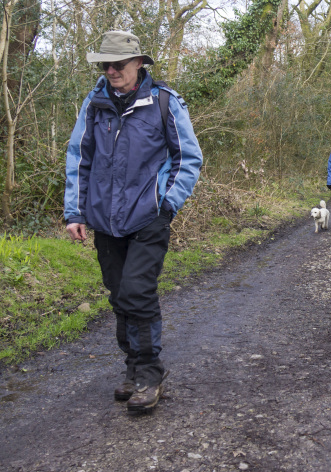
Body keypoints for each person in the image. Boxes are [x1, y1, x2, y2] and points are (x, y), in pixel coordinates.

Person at [63, 31, 203, 413]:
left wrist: (167, 204)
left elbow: (187, 159)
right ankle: (132, 368)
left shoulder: (163, 103)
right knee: (118, 295)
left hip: (147, 218)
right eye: (104, 64)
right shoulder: (94, 105)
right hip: (105, 221)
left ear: (139, 63)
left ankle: (149, 374)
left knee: (137, 292)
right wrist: (75, 212)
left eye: (118, 64)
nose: (111, 71)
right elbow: (79, 158)